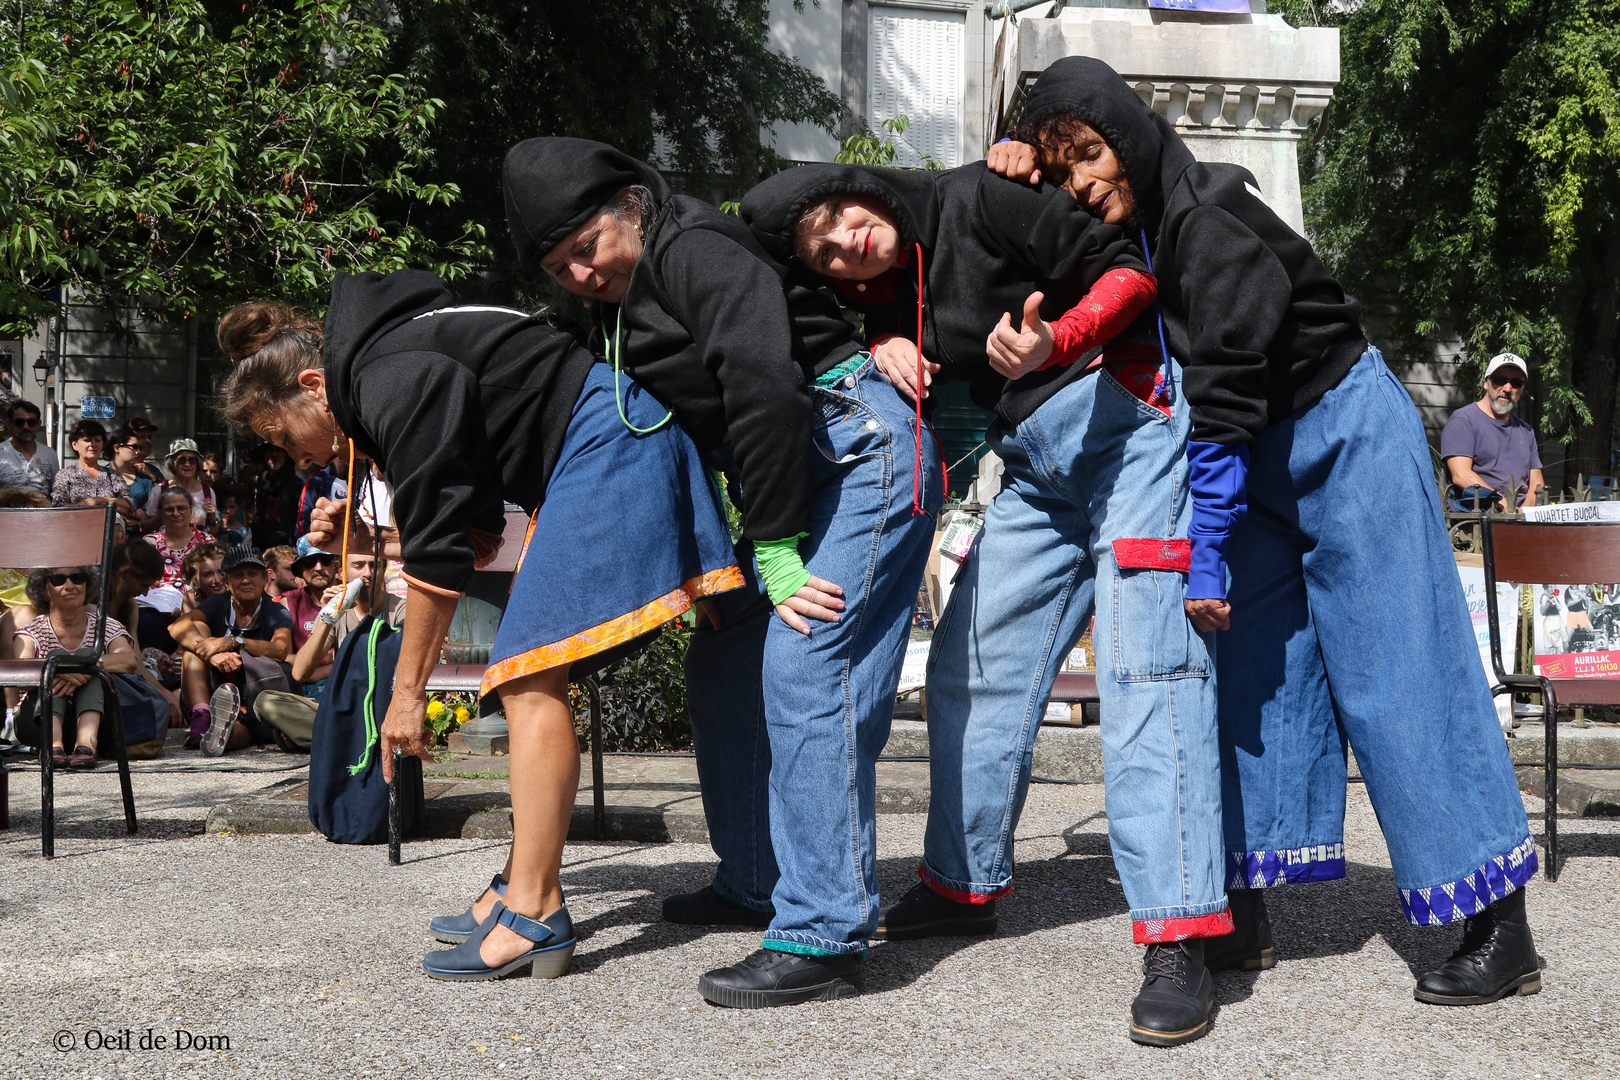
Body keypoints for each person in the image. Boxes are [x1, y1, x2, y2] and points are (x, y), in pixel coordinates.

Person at [988, 56, 1541, 1011]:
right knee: (1248, 670)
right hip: (1262, 461)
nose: (1079, 182)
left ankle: (1501, 926)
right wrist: (1013, 152)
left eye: (1088, 156)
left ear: (1129, 136)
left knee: (1399, 668)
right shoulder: (1142, 224)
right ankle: (1245, 904)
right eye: (1063, 166)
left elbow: (1228, 397)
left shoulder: (1208, 220)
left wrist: (1205, 548)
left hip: (1344, 434)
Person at [741, 161, 1226, 1044]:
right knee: (969, 666)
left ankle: (1180, 935)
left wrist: (1060, 337)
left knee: (1149, 678)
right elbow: (905, 320)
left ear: (863, 187)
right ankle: (960, 886)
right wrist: (885, 337)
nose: (846, 243)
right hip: (1037, 465)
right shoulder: (895, 285)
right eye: (825, 255)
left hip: (1133, 426)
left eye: (839, 214)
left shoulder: (983, 192)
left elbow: (1131, 268)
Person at [505, 137, 943, 1007]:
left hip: (858, 450)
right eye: (560, 269)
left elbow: (764, 384)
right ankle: (754, 876)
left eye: (588, 248)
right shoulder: (621, 305)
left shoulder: (691, 247)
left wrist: (774, 549)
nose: (583, 274)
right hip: (801, 472)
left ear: (630, 208)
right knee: (725, 661)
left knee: (808, 668)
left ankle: (825, 931)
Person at [219, 270, 740, 983]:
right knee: (530, 673)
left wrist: (407, 696)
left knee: (527, 675)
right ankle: (521, 883)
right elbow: (469, 510)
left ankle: (534, 912)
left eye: (282, 436)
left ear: (314, 386)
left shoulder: (383, 376)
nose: (294, 458)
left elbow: (436, 560)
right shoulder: (385, 361)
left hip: (612, 444)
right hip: (600, 444)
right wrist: (434, 531)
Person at [253, 550, 405, 750]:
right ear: (342, 573)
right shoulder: (336, 611)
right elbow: (300, 672)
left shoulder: (400, 609)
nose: (367, 573)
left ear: (383, 570)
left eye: (374, 565)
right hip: (343, 710)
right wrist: (327, 617)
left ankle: (318, 738)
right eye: (358, 565)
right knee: (266, 701)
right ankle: (340, 739)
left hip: (385, 707)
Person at [10, 565, 147, 769]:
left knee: (88, 661)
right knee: (56, 659)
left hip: (100, 723)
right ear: (45, 590)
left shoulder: (104, 626)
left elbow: (129, 660)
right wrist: (59, 670)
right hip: (37, 723)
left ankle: (86, 744)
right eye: (58, 579)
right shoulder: (30, 632)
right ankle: (53, 744)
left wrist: (86, 666)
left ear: (86, 586)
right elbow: (23, 674)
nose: (69, 585)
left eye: (77, 578)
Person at [169, 545, 294, 754]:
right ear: (227, 583)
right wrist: (212, 653)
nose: (245, 580)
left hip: (253, 696)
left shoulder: (276, 612)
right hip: (209, 688)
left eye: (252, 574)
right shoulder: (219, 603)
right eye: (238, 575)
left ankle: (216, 733)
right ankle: (202, 714)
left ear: (265, 579)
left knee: (240, 731)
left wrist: (234, 641)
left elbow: (280, 649)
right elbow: (176, 627)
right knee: (196, 630)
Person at [1442, 353, 1545, 511]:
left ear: (1522, 389)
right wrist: (1507, 507)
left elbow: (1537, 483)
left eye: (1516, 383)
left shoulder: (1526, 431)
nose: (1507, 388)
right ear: (1486, 383)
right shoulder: (1463, 420)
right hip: (1476, 519)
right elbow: (1461, 475)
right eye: (1500, 380)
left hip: (1521, 518)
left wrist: (1523, 513)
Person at [0, 487, 51, 738]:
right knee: (17, 618)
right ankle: (13, 714)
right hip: (6, 617)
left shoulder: (47, 558)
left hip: (46, 615)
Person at [50, 420, 133, 519]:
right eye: (87, 440)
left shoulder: (113, 475)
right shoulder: (65, 475)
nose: (93, 444)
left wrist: (100, 500)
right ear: (75, 445)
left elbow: (129, 505)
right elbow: (58, 507)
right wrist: (88, 506)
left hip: (108, 527)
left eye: (97, 440)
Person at [143, 488, 216, 589]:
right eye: (169, 510)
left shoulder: (207, 542)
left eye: (182, 508)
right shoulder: (150, 543)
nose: (176, 514)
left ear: (191, 510)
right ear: (160, 513)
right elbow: (144, 581)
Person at [278, 536, 339, 656]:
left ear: (336, 565)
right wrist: (325, 661)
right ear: (300, 568)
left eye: (326, 560)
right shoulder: (288, 603)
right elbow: (284, 658)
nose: (318, 568)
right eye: (310, 562)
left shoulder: (353, 595)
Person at [144, 439, 218, 532]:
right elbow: (144, 528)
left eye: (192, 460)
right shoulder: (160, 489)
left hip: (199, 541)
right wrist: (161, 516)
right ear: (172, 464)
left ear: (197, 464)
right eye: (182, 460)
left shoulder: (207, 492)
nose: (187, 464)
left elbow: (213, 533)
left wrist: (212, 518)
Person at [0, 401, 60, 497]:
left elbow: (57, 492)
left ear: (39, 424)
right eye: (19, 422)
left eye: (31, 422)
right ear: (8, 424)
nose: (26, 427)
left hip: (43, 506)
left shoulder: (49, 454)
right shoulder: (2, 453)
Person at [250, 444, 301, 549]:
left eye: (279, 450)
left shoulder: (297, 485)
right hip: (259, 546)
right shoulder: (256, 483)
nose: (274, 454)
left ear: (287, 455)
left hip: (288, 549)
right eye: (270, 450)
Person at [110, 427, 158, 533]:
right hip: (109, 535)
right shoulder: (102, 475)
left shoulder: (144, 478)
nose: (138, 452)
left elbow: (151, 513)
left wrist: (121, 514)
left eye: (139, 448)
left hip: (139, 536)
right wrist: (136, 515)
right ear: (117, 448)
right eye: (134, 447)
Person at [180, 543, 228, 609]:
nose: (217, 580)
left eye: (222, 572)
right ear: (195, 580)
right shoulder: (191, 599)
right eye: (207, 575)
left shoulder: (239, 597)